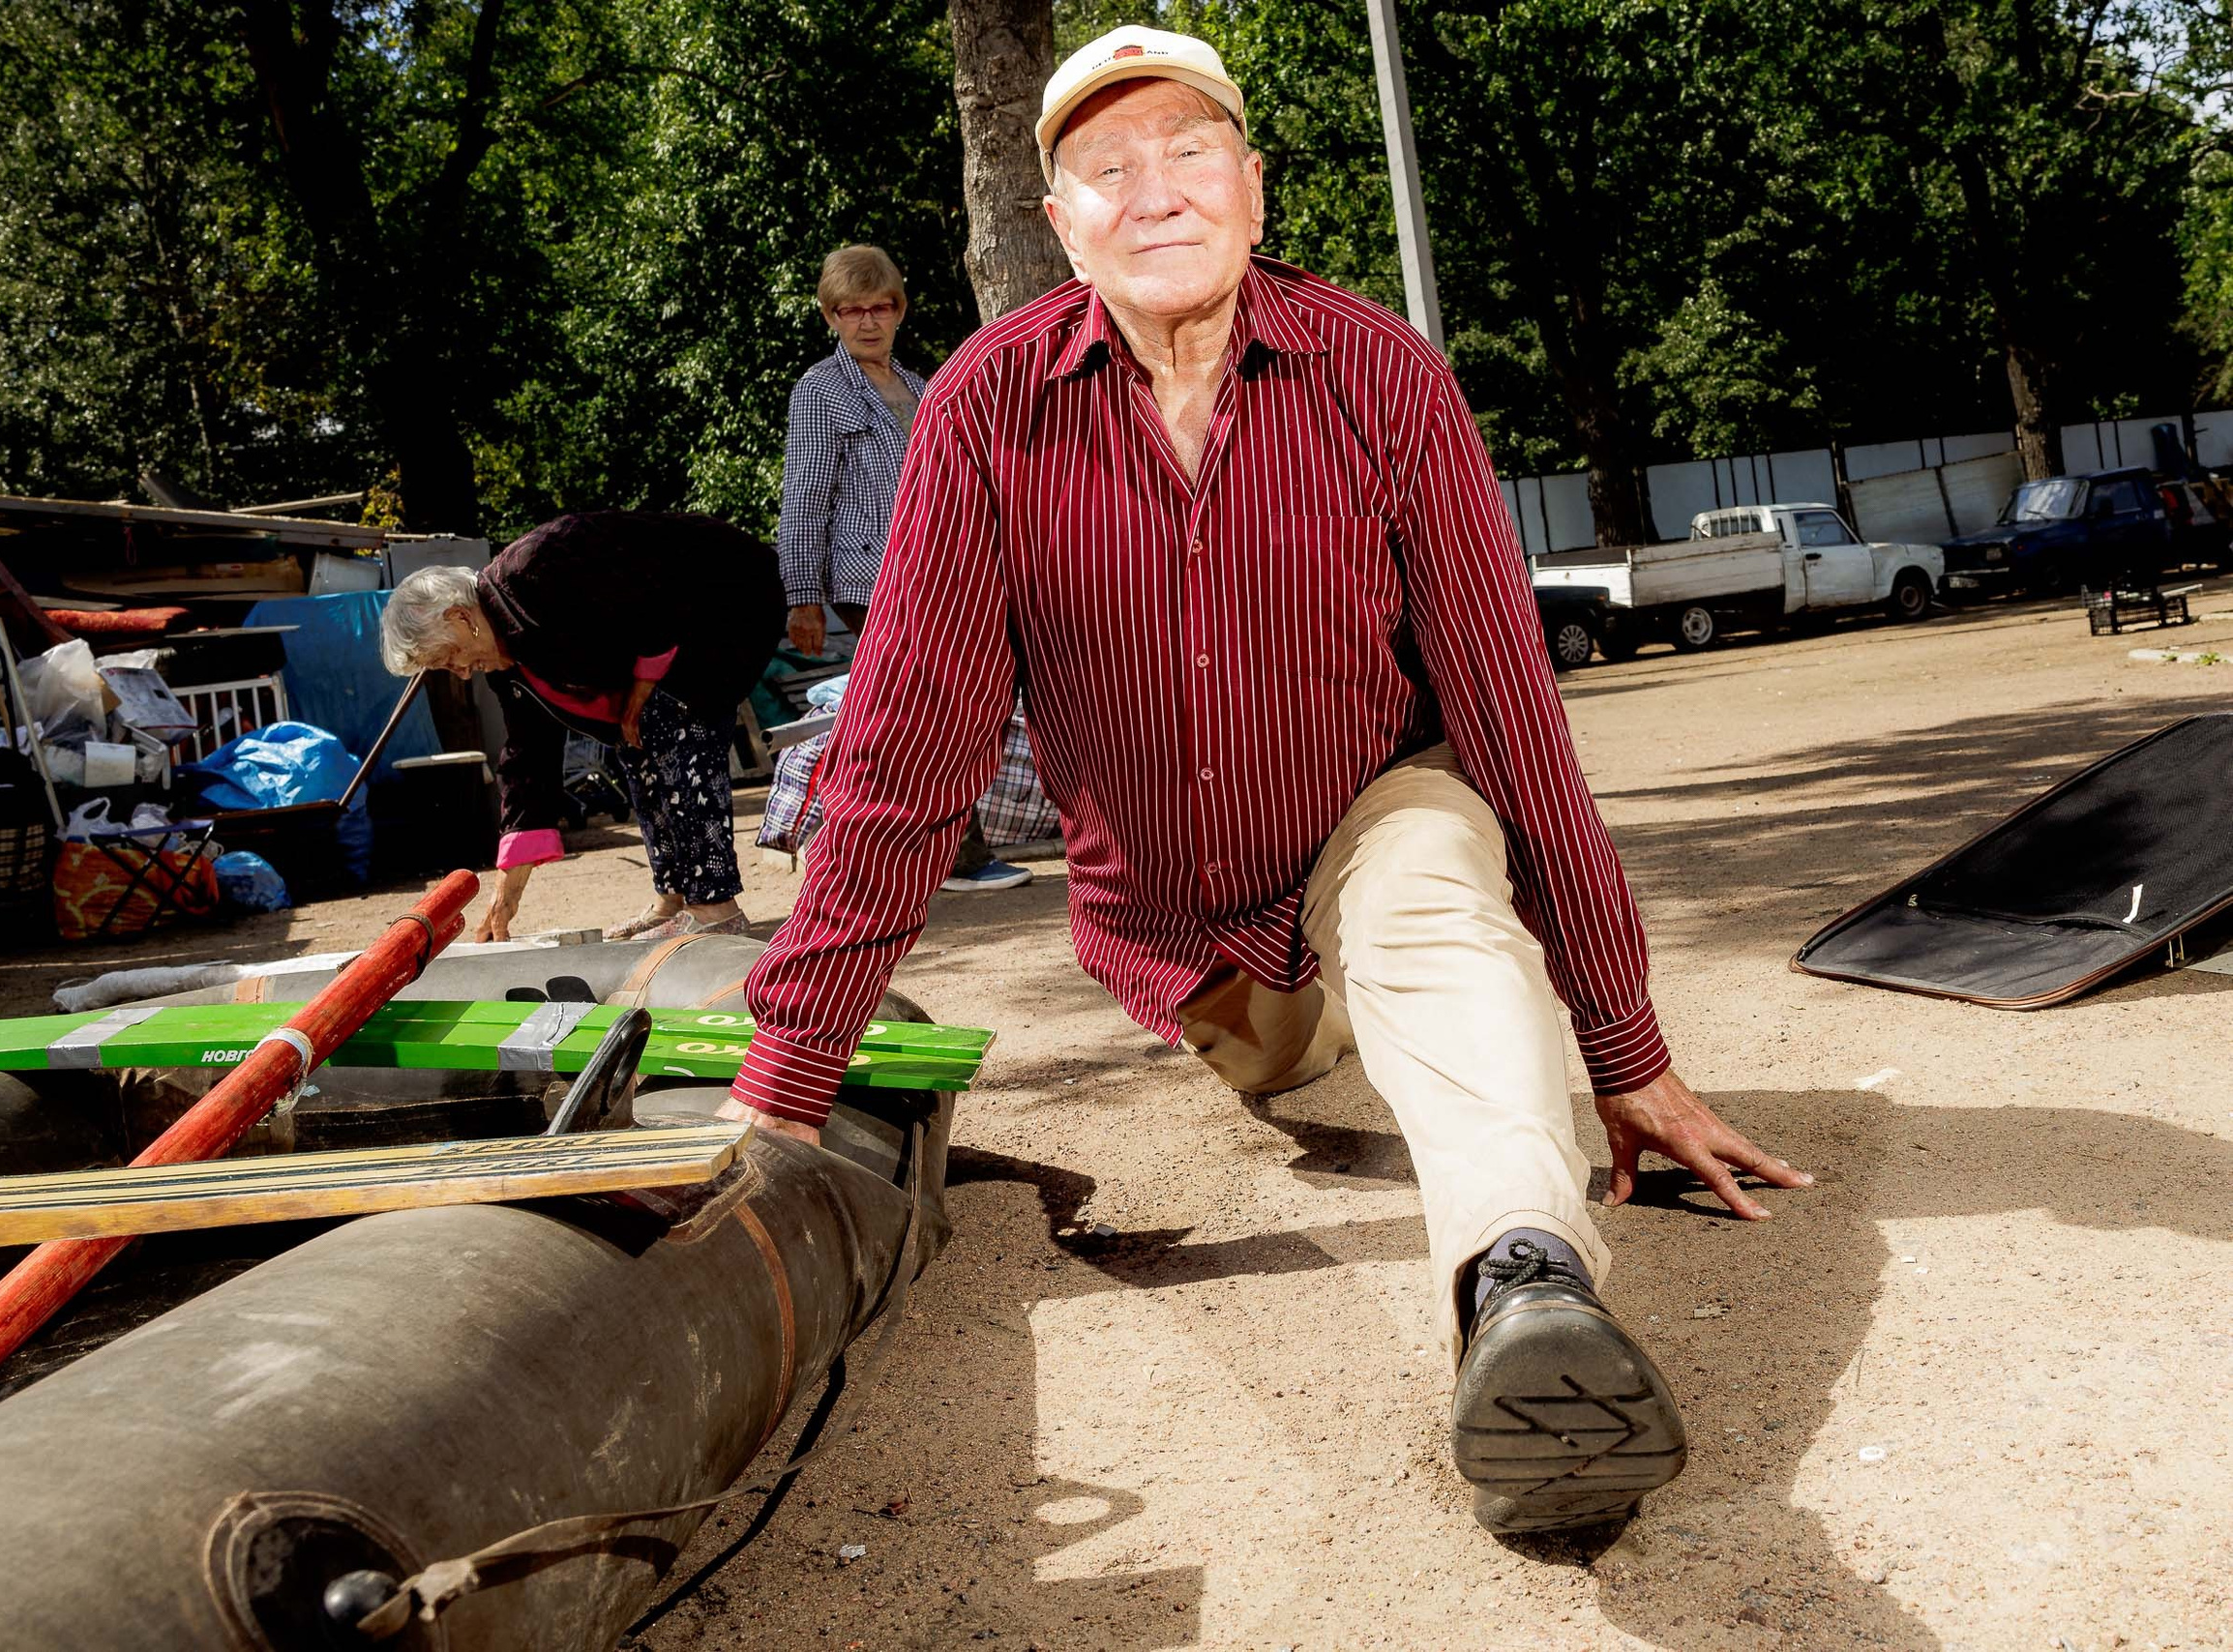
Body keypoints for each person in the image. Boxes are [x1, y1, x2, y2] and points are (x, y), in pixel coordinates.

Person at [721, 26, 1811, 1535]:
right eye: (1108, 168)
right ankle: (1394, 1030)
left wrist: (1624, 1050)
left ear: (1252, 188)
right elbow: (905, 759)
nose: (1153, 191)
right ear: (1064, 226)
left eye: (1187, 153)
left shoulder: (1382, 376)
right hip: (1184, 937)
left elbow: (1509, 718)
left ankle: (1522, 1282)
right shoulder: (982, 412)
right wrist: (787, 1076)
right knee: (1306, 1059)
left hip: (1379, 801)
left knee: (1432, 907)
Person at [377, 513, 785, 944]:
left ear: (462, 617)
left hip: (727, 598)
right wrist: (507, 894)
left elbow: (651, 595)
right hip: (677, 633)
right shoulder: (508, 662)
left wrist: (642, 689)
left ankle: (715, 909)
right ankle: (675, 898)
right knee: (636, 744)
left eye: (448, 657)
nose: (460, 673)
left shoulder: (539, 564)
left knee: (671, 724)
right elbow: (526, 760)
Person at [779, 244, 1031, 895]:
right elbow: (804, 495)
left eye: (879, 308)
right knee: (929, 711)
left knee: (928, 711)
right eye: (851, 310)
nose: (867, 322)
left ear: (899, 310)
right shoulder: (819, 389)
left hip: (934, 573)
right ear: (831, 315)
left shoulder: (922, 386)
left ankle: (873, 846)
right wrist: (801, 595)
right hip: (867, 578)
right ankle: (958, 858)